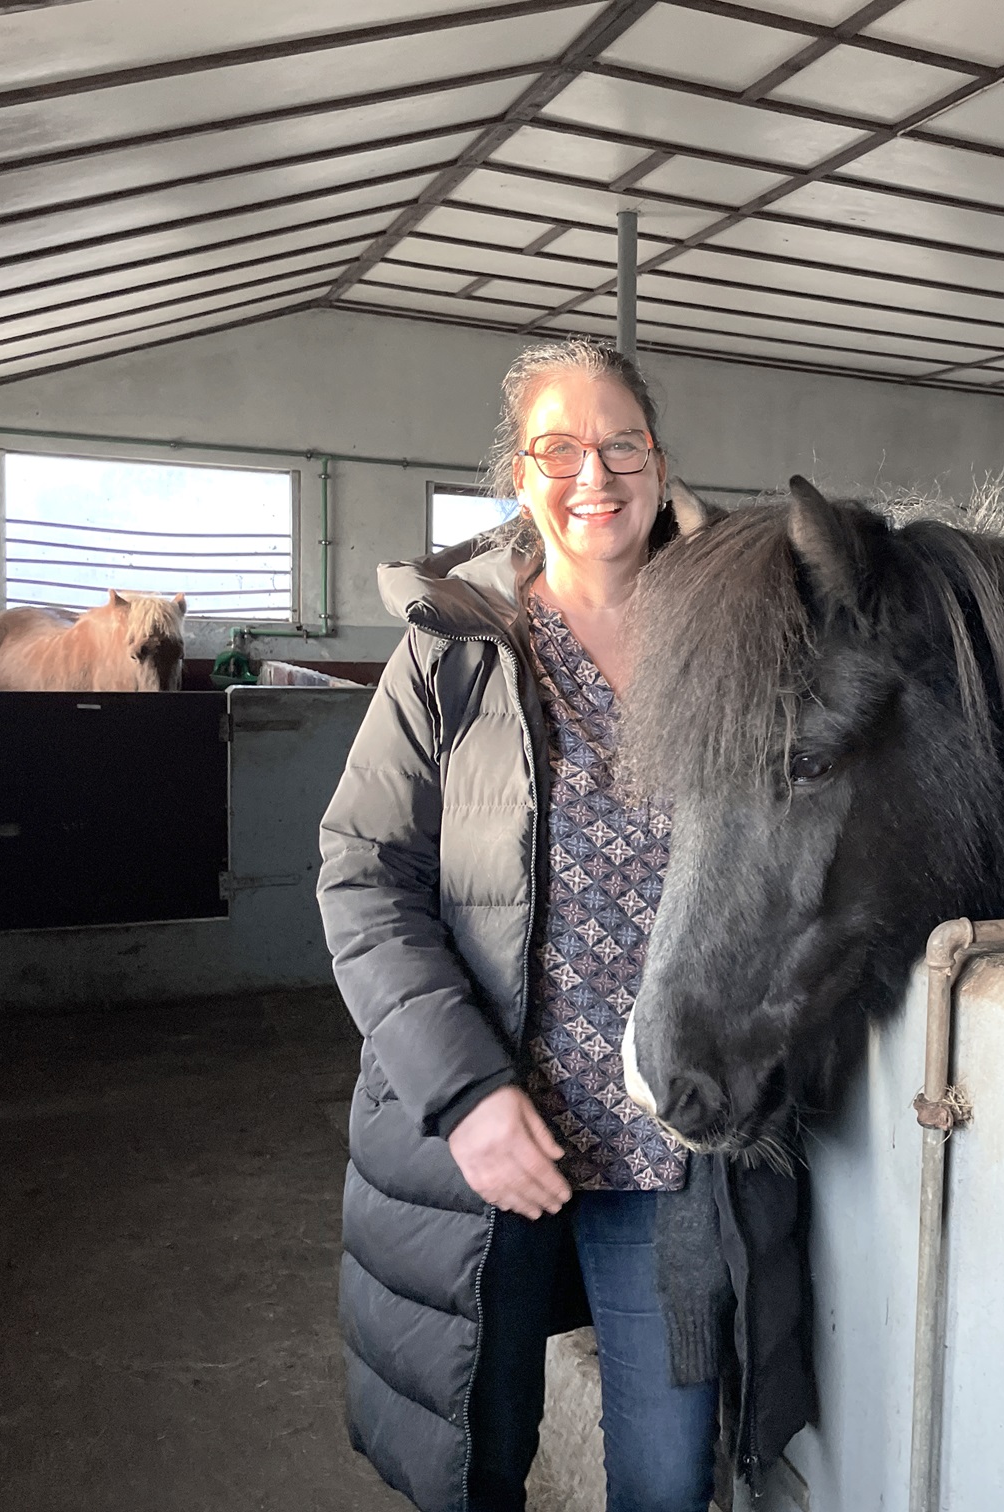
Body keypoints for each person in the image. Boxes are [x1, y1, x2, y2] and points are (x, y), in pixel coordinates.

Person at [319, 339, 811, 1512]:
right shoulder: (454, 649)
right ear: (520, 475)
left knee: (667, 1477)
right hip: (491, 1140)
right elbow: (362, 874)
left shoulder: (743, 639)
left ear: (659, 462)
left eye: (622, 445)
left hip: (672, 1139)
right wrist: (463, 1096)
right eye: (559, 448)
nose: (595, 473)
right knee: (477, 1462)